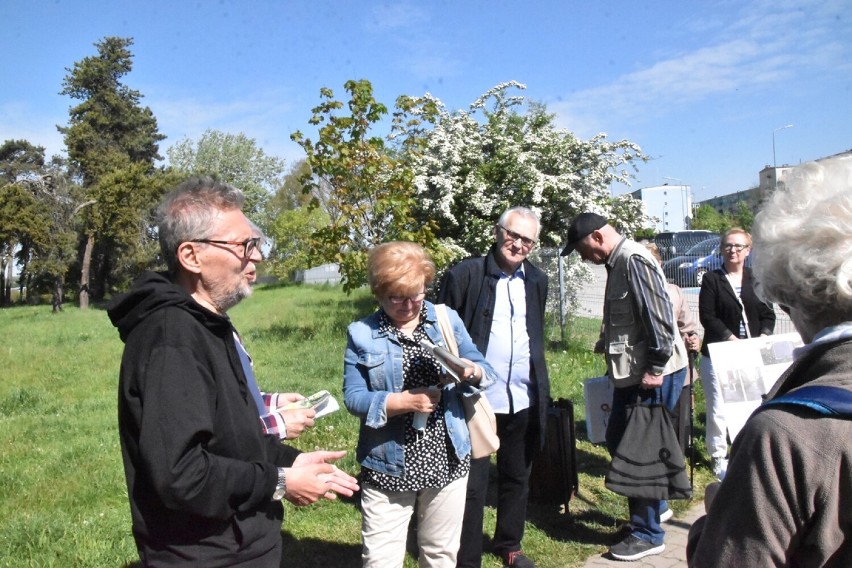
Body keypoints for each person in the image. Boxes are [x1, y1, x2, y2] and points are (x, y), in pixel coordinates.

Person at [107, 177, 359, 567]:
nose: (256, 257)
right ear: (191, 256)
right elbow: (181, 474)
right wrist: (278, 481)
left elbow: (233, 433)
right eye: (244, 246)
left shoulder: (209, 323)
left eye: (255, 244)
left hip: (238, 541)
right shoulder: (172, 338)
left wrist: (289, 461)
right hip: (206, 552)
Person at [687, 154, 852, 566]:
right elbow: (708, 315)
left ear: (790, 287)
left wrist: (711, 526)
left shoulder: (785, 435)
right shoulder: (711, 279)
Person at [343, 241, 495, 568]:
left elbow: (486, 371)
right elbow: (353, 397)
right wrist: (400, 402)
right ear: (379, 292)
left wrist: (470, 371)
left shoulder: (445, 320)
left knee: (440, 556)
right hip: (386, 462)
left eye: (417, 293)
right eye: (397, 297)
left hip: (446, 455)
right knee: (380, 559)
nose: (409, 305)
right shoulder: (362, 334)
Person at [562, 212, 688, 562]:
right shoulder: (618, 261)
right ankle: (654, 509)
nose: (583, 257)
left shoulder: (632, 259)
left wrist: (656, 367)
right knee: (621, 439)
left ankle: (649, 533)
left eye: (582, 249)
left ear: (598, 237)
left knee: (639, 452)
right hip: (637, 373)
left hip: (651, 374)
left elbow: (659, 315)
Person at [437, 207, 550, 568]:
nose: (517, 244)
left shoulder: (537, 280)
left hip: (523, 395)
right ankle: (466, 557)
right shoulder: (465, 274)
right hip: (478, 400)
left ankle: (509, 545)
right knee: (473, 484)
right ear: (497, 232)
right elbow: (441, 334)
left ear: (533, 245)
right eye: (512, 234)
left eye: (526, 240)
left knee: (517, 475)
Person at [698, 228, 775, 478]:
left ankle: (746, 450)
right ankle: (718, 455)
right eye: (728, 246)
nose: (733, 250)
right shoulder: (712, 279)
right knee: (719, 407)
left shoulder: (756, 279)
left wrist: (762, 337)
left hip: (749, 354)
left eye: (739, 246)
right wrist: (731, 339)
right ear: (721, 249)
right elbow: (707, 317)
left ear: (748, 251)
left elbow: (767, 314)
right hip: (719, 353)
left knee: (749, 405)